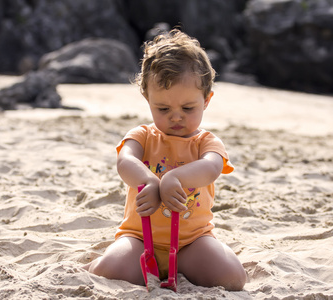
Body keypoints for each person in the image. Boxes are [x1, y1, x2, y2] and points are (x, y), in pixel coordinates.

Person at [83, 29, 246, 291]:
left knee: (232, 278)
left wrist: (174, 177)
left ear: (206, 100)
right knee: (109, 272)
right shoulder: (143, 136)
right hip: (139, 238)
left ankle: (180, 266)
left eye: (188, 108)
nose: (176, 117)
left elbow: (212, 168)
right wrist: (148, 180)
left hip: (190, 242)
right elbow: (125, 161)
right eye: (163, 109)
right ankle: (105, 262)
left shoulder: (206, 142)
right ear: (148, 98)